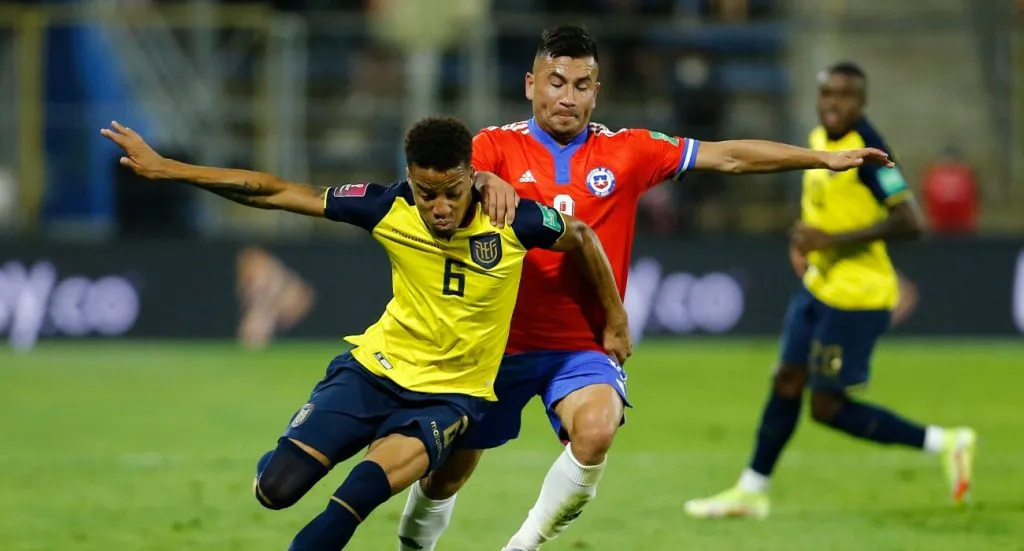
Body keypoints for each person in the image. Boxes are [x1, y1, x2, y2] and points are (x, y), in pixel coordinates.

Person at [397, 27, 897, 551]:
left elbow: (727, 156)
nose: (568, 98)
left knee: (596, 431)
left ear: (598, 90)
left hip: (582, 345)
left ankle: (521, 546)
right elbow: (447, 182)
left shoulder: (629, 151)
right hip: (495, 343)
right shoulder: (494, 146)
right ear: (530, 85)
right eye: (556, 82)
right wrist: (481, 181)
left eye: (582, 85)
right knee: (446, 477)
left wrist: (821, 159)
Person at [100, 115, 629, 550]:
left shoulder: (514, 220)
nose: (439, 208)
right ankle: (296, 449)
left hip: (450, 400)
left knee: (352, 502)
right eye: (427, 194)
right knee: (275, 490)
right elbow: (276, 192)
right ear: (409, 178)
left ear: (472, 176)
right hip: (373, 373)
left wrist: (614, 317)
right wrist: (169, 168)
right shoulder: (386, 206)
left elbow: (581, 236)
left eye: (451, 192)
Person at [683, 61, 977, 520]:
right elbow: (822, 208)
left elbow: (910, 220)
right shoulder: (820, 142)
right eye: (826, 94)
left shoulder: (868, 152)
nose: (833, 103)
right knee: (785, 379)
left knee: (826, 406)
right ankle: (751, 490)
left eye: (844, 95)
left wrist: (831, 242)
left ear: (861, 103)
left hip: (858, 296)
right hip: (820, 286)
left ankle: (946, 442)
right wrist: (805, 239)